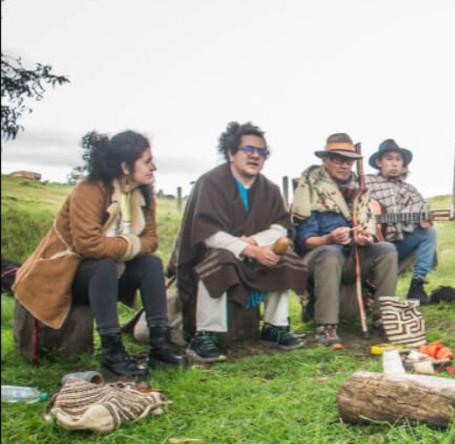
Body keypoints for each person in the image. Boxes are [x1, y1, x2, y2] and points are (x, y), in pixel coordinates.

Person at [14, 130, 185, 379]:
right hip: (68, 274)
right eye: (147, 161)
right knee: (102, 265)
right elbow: (88, 246)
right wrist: (129, 244)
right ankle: (112, 353)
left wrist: (125, 246)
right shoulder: (89, 189)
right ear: (125, 167)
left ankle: (160, 346)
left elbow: (151, 242)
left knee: (151, 263)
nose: (154, 167)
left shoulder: (144, 192)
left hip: (111, 270)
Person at [173, 122, 308, 363]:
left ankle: (274, 327)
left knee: (284, 257)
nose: (256, 155)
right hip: (214, 256)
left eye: (262, 151)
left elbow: (281, 228)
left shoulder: (270, 189)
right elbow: (208, 234)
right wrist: (247, 249)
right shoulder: (210, 183)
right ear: (231, 153)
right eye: (249, 149)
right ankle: (205, 334)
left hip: (255, 256)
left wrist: (256, 242)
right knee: (219, 259)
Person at [291, 133, 398, 349]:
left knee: (387, 250)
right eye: (337, 159)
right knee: (330, 253)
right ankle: (326, 326)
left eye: (348, 160)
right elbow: (306, 241)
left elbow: (367, 228)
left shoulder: (360, 191)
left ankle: (384, 318)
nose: (344, 165)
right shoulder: (310, 189)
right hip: (317, 258)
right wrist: (329, 238)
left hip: (351, 256)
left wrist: (363, 238)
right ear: (325, 160)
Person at [363, 139, 436, 304]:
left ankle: (417, 286)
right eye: (389, 158)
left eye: (398, 159)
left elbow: (421, 208)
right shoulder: (366, 182)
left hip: (398, 243)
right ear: (378, 162)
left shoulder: (410, 190)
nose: (394, 163)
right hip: (368, 246)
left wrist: (422, 219)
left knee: (429, 233)